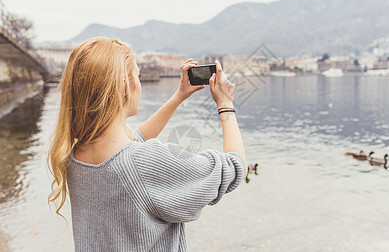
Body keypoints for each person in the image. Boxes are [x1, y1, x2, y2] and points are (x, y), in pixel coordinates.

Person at [47, 38, 246, 251]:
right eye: (137, 75)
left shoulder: (75, 154)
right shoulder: (144, 162)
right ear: (126, 85)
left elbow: (132, 144)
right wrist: (225, 104)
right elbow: (234, 167)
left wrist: (178, 97)